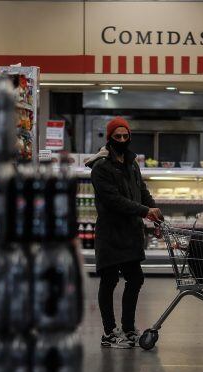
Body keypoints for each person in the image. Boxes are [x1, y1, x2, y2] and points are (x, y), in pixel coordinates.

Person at [87, 117, 163, 349]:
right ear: (109, 138)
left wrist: (156, 213)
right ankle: (109, 332)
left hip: (130, 232)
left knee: (135, 278)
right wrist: (144, 211)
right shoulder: (100, 168)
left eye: (125, 136)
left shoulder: (132, 162)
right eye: (117, 136)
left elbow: (141, 191)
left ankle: (128, 328)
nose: (121, 140)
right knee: (109, 281)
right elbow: (114, 201)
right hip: (110, 232)